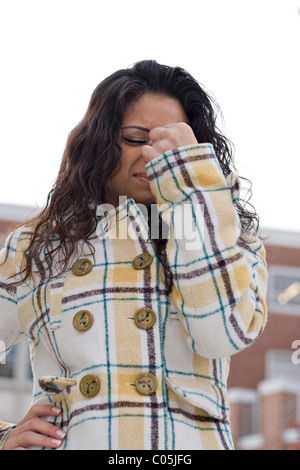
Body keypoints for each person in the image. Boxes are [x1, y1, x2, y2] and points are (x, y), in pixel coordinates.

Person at [0, 60, 268, 450]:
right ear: (100, 140)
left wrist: (192, 192)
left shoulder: (229, 240)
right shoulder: (38, 248)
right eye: (135, 137)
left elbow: (222, 333)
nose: (152, 155)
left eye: (170, 144)